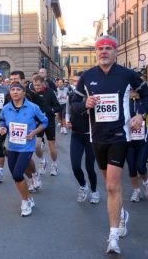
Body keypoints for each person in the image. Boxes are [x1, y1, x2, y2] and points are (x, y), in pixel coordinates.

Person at [71, 35, 148, 254]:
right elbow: (74, 104)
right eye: (100, 49)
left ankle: (113, 237)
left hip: (120, 135)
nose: (104, 52)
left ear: (115, 52)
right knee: (110, 184)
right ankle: (122, 213)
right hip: (97, 137)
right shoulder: (87, 77)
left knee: (111, 186)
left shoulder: (127, 74)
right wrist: (84, 104)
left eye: (108, 48)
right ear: (96, 53)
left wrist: (141, 115)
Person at [0, 80, 48, 216]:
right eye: (13, 90)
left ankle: (25, 201)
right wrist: (2, 128)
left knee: (17, 174)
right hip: (13, 146)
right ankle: (29, 198)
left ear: (23, 92)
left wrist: (34, 132)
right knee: (16, 176)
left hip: (26, 146)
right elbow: (2, 120)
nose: (15, 92)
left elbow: (44, 121)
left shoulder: (32, 107)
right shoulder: (6, 108)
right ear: (10, 92)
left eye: (18, 90)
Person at [66, 72, 99, 204]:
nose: (76, 84)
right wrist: (67, 121)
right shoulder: (71, 97)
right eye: (74, 81)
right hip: (76, 135)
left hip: (91, 136)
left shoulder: (95, 98)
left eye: (79, 81)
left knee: (90, 167)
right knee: (75, 166)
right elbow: (68, 112)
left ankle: (94, 191)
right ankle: (83, 185)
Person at [126, 89, 148, 202]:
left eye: (135, 88)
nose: (132, 91)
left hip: (144, 140)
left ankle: (146, 183)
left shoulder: (145, 101)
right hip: (128, 141)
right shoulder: (124, 101)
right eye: (130, 89)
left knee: (140, 167)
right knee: (132, 168)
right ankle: (136, 190)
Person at [32, 74, 62, 176]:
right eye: (35, 85)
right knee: (36, 146)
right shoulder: (31, 93)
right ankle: (43, 161)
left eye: (38, 85)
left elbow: (58, 106)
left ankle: (54, 164)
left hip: (49, 121)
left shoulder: (50, 92)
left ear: (43, 84)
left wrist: (52, 110)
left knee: (51, 145)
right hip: (37, 123)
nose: (36, 87)